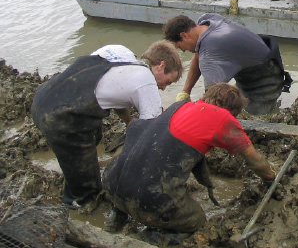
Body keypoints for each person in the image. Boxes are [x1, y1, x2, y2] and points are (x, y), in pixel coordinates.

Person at [102, 83, 276, 233]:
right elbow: (255, 161)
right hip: (150, 199)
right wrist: (271, 177)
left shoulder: (179, 107)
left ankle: (118, 211)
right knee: (197, 220)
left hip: (112, 182)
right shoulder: (223, 118)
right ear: (233, 111)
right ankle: (157, 235)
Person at [31, 41, 183, 209]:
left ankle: (76, 171)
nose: (163, 88)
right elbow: (151, 132)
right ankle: (78, 205)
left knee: (93, 135)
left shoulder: (120, 53)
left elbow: (117, 95)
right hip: (60, 117)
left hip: (44, 97)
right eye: (167, 82)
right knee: (87, 190)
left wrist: (129, 122)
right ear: (161, 66)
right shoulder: (147, 83)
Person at [162, 13, 293, 115]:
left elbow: (212, 98)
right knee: (239, 108)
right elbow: (198, 55)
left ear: (184, 35)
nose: (183, 50)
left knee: (256, 118)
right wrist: (186, 92)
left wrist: (187, 113)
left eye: (180, 47)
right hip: (254, 65)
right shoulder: (207, 21)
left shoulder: (211, 48)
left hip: (265, 81)